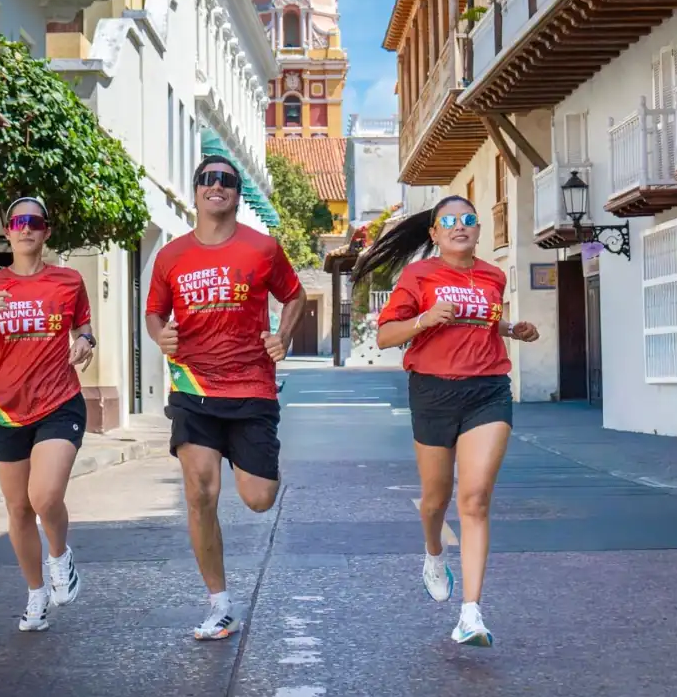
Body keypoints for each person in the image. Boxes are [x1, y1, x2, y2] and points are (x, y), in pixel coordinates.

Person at [352, 195, 539, 648]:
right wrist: (422, 319)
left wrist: (511, 329)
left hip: (488, 390)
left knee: (474, 499)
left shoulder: (492, 276)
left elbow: (481, 321)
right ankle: (434, 554)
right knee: (435, 500)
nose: (461, 226)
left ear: (477, 230)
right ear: (434, 233)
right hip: (433, 391)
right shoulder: (418, 275)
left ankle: (471, 615)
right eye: (449, 221)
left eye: (469, 220)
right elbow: (386, 334)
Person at [145, 156, 306, 641]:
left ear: (237, 193)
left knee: (259, 499)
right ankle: (219, 604)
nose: (217, 187)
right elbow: (154, 312)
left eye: (227, 181)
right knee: (200, 493)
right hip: (193, 389)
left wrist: (285, 335)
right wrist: (160, 337)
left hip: (252, 387)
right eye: (208, 180)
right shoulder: (171, 255)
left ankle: (250, 459)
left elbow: (294, 295)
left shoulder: (263, 248)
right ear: (195, 191)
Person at [0, 196, 97, 632]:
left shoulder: (68, 281)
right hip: (4, 409)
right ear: (7, 232)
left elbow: (83, 329)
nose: (26, 228)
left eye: (35, 222)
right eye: (18, 221)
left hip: (58, 402)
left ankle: (60, 557)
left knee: (44, 496)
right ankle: (36, 593)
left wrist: (86, 343)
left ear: (46, 231)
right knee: (18, 508)